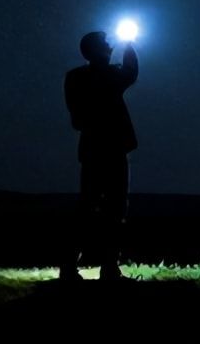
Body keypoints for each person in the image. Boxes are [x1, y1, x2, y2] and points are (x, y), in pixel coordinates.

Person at [60, 30, 139, 281]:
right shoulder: (107, 74)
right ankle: (107, 267)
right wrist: (128, 46)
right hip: (110, 147)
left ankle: (73, 267)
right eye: (106, 44)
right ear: (96, 49)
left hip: (94, 147)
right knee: (112, 209)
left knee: (90, 207)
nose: (110, 45)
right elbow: (130, 73)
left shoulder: (75, 77)